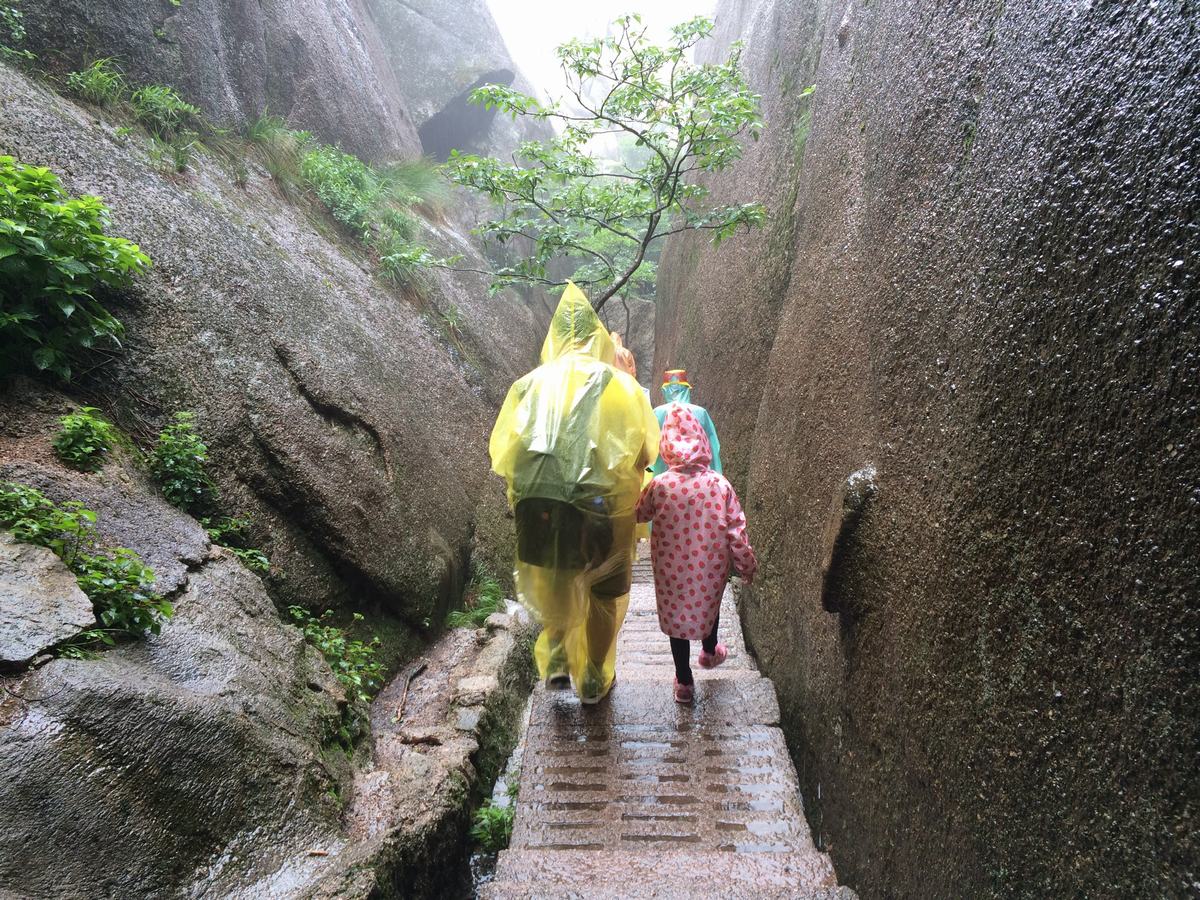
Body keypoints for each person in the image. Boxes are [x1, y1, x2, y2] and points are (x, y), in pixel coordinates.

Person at [490, 283, 659, 703]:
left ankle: (560, 660)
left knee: (556, 583)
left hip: (539, 510)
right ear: (598, 336)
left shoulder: (526, 386)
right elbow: (644, 451)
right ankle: (594, 677)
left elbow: (505, 454)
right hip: (601, 507)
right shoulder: (619, 384)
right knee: (603, 594)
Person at [636, 405, 757, 704]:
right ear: (703, 440)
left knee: (676, 618)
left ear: (666, 446)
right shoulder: (719, 484)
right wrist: (746, 565)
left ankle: (684, 683)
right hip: (709, 565)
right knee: (708, 604)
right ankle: (709, 650)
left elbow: (638, 514)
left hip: (669, 567)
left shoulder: (659, 485)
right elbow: (736, 530)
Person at [651, 369, 722, 476]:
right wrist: (717, 475)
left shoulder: (658, 413)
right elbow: (713, 447)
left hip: (664, 476)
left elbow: (649, 447)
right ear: (687, 389)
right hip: (699, 477)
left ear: (664, 391)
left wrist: (649, 475)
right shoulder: (700, 412)